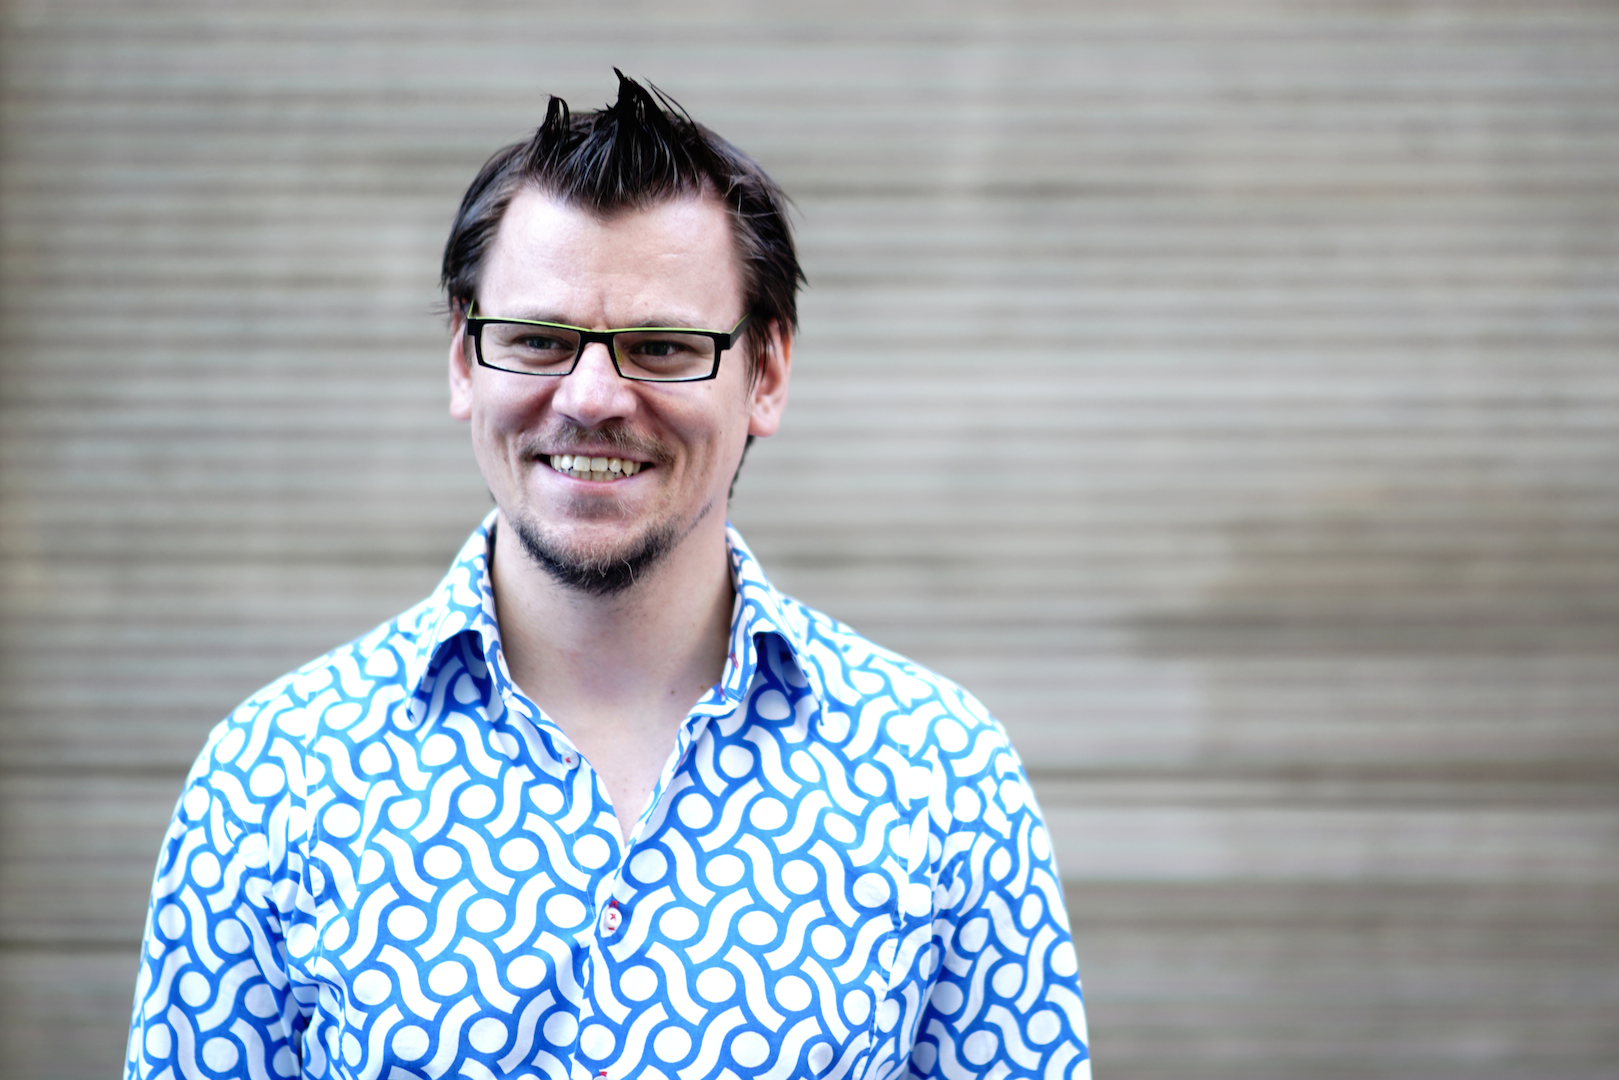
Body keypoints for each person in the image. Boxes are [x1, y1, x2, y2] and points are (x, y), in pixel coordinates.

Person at [126, 72, 1090, 1080]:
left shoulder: (941, 776)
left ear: (765, 374)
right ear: (463, 359)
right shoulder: (270, 779)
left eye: (662, 347)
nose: (590, 398)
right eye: (537, 340)